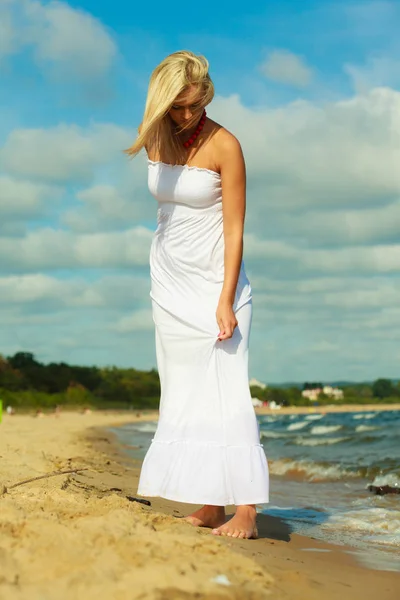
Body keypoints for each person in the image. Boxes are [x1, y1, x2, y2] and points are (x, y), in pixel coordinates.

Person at [126, 50, 269, 539]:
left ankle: (246, 510)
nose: (188, 115)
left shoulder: (225, 145)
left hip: (215, 285)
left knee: (228, 393)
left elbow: (235, 229)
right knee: (187, 393)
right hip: (169, 284)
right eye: (178, 106)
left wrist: (226, 297)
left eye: (195, 104)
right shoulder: (156, 138)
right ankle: (211, 504)